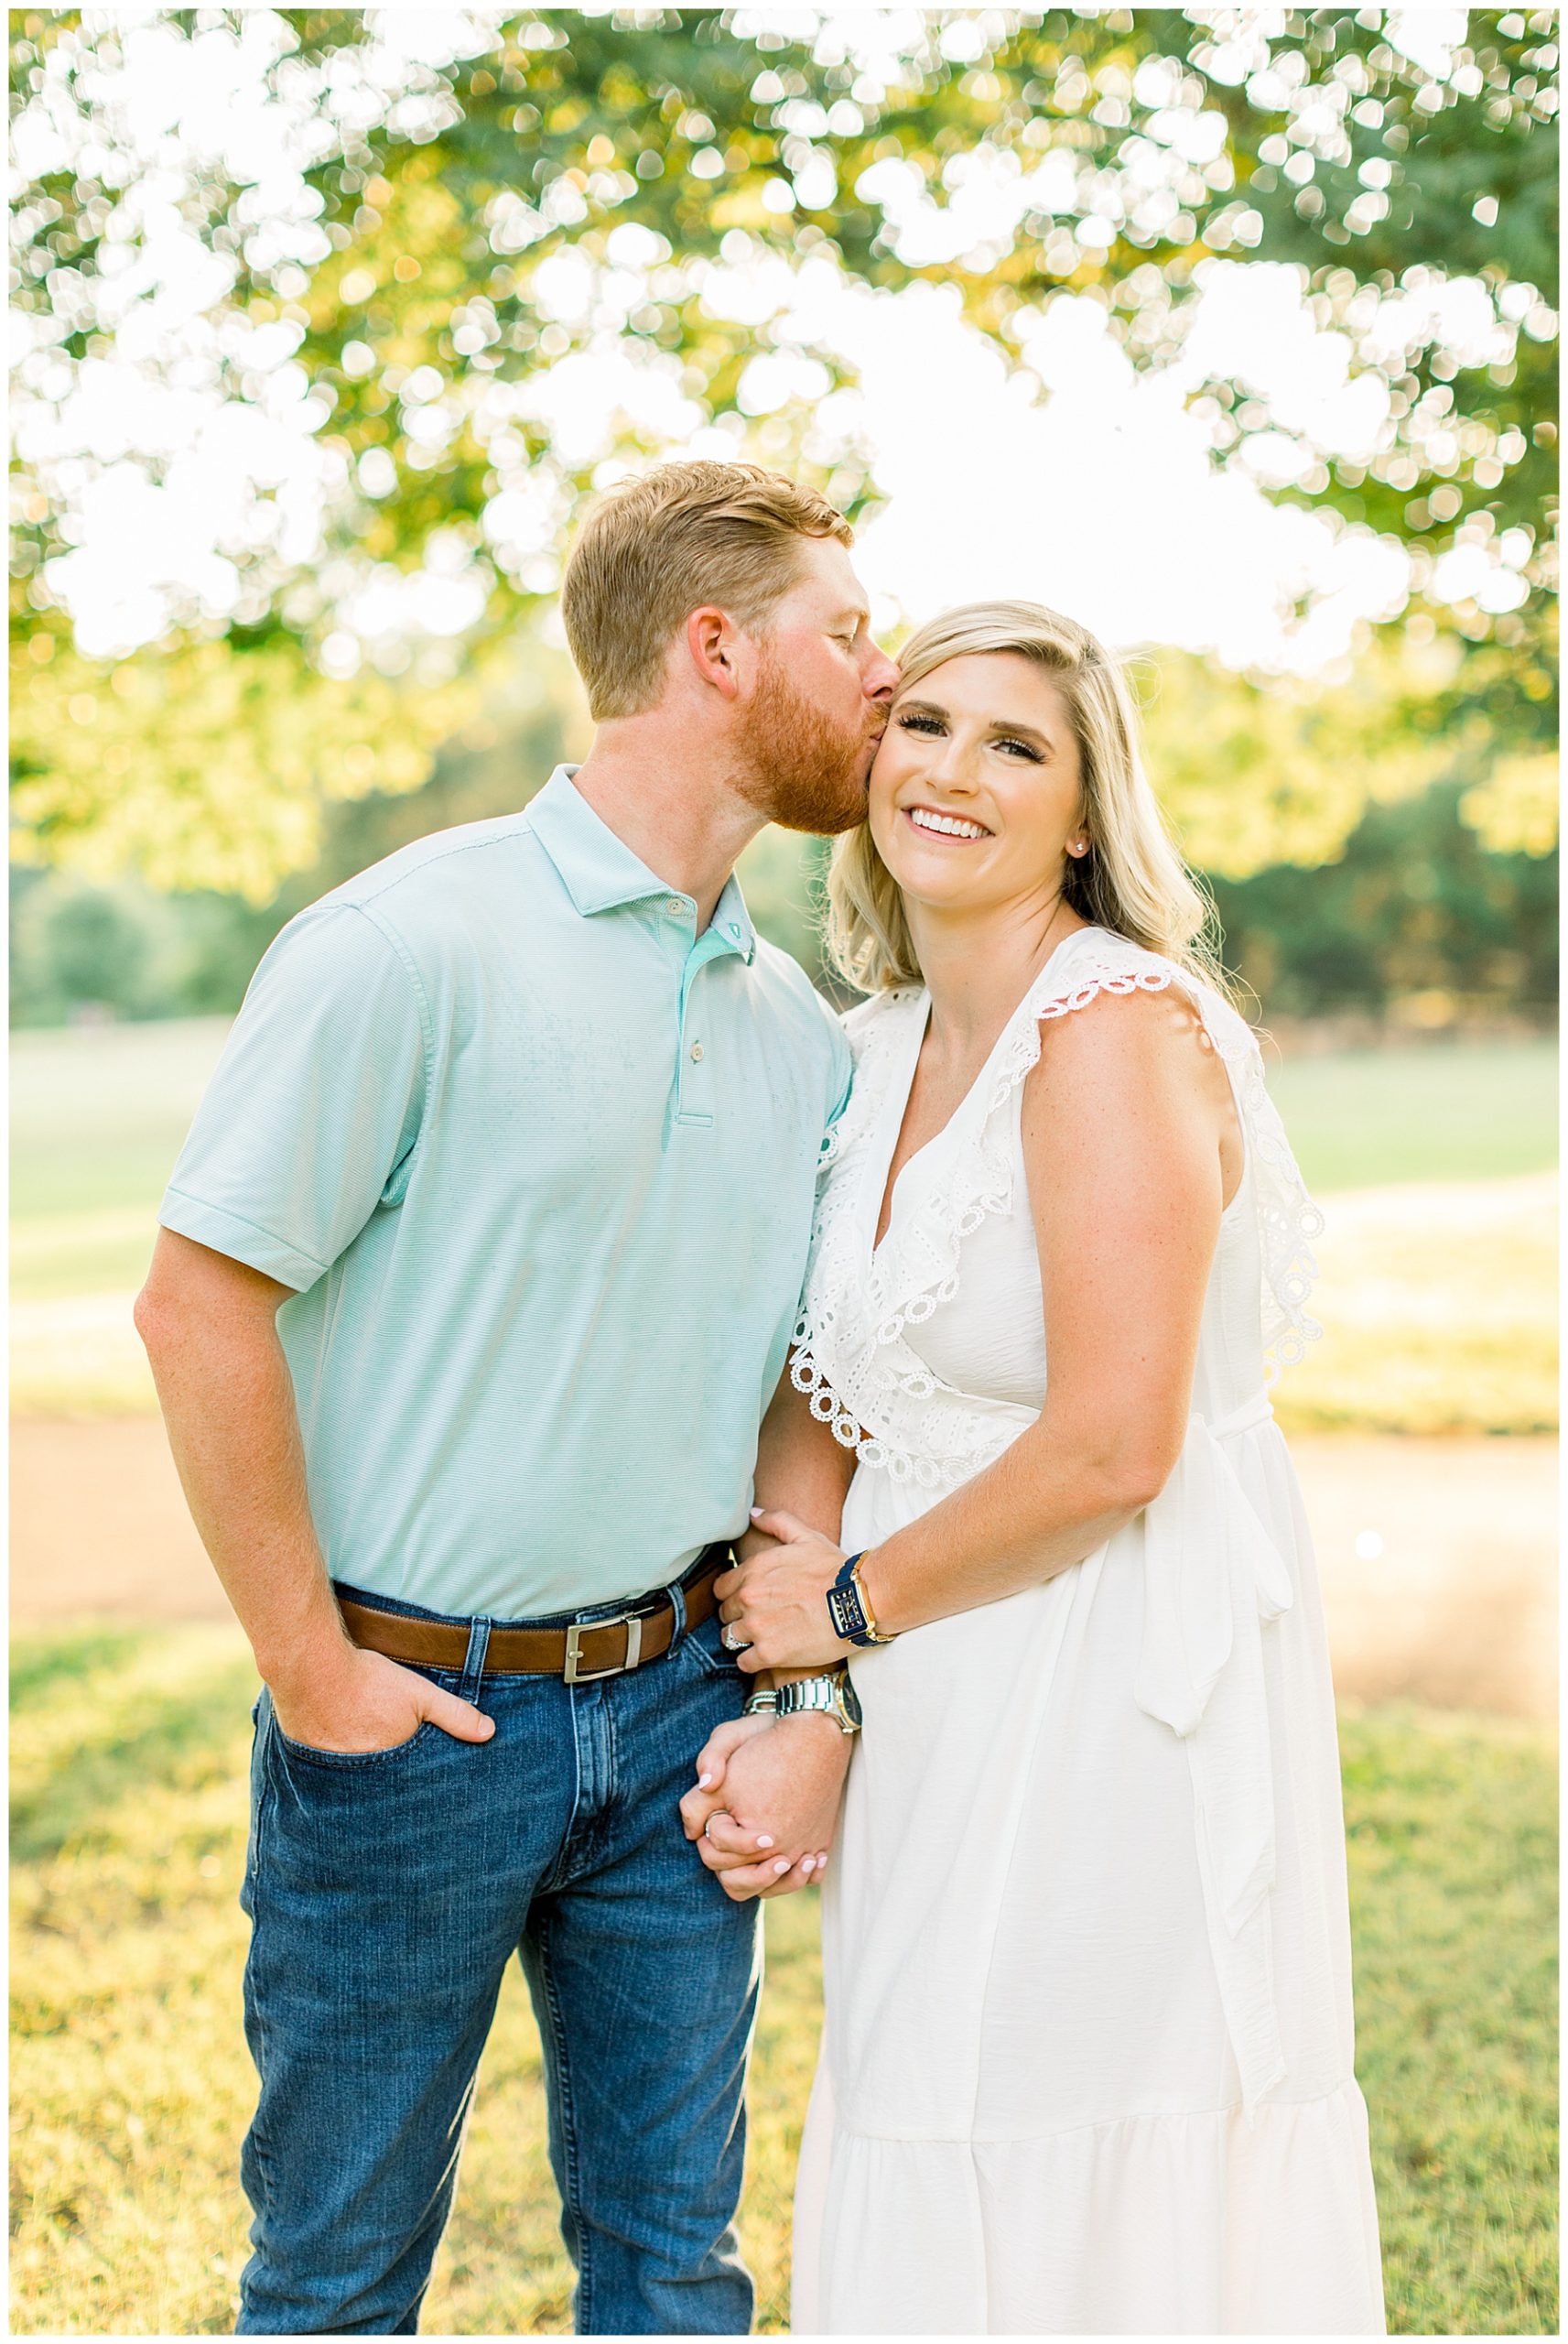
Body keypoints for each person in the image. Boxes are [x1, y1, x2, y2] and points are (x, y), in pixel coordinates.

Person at [134, 460, 898, 2337]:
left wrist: (793, 1686)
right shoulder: (407, 944)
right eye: (851, 633)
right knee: (332, 2277)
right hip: (407, 1724)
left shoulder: (792, 1021)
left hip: (672, 1725)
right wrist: (313, 1668)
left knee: (671, 2266)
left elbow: (815, 1384)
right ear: (717, 648)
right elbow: (194, 1303)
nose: (884, 677)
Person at [686, 602, 1387, 2334]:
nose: (951, 771)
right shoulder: (869, 1048)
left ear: (1083, 814)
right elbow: (823, 1389)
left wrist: (837, 1610)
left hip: (1111, 1672)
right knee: (929, 2093)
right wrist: (809, 1702)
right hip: (932, 1666)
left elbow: (1113, 1441)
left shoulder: (1115, 1030)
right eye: (922, 724)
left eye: (1017, 746)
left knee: (1066, 2103)